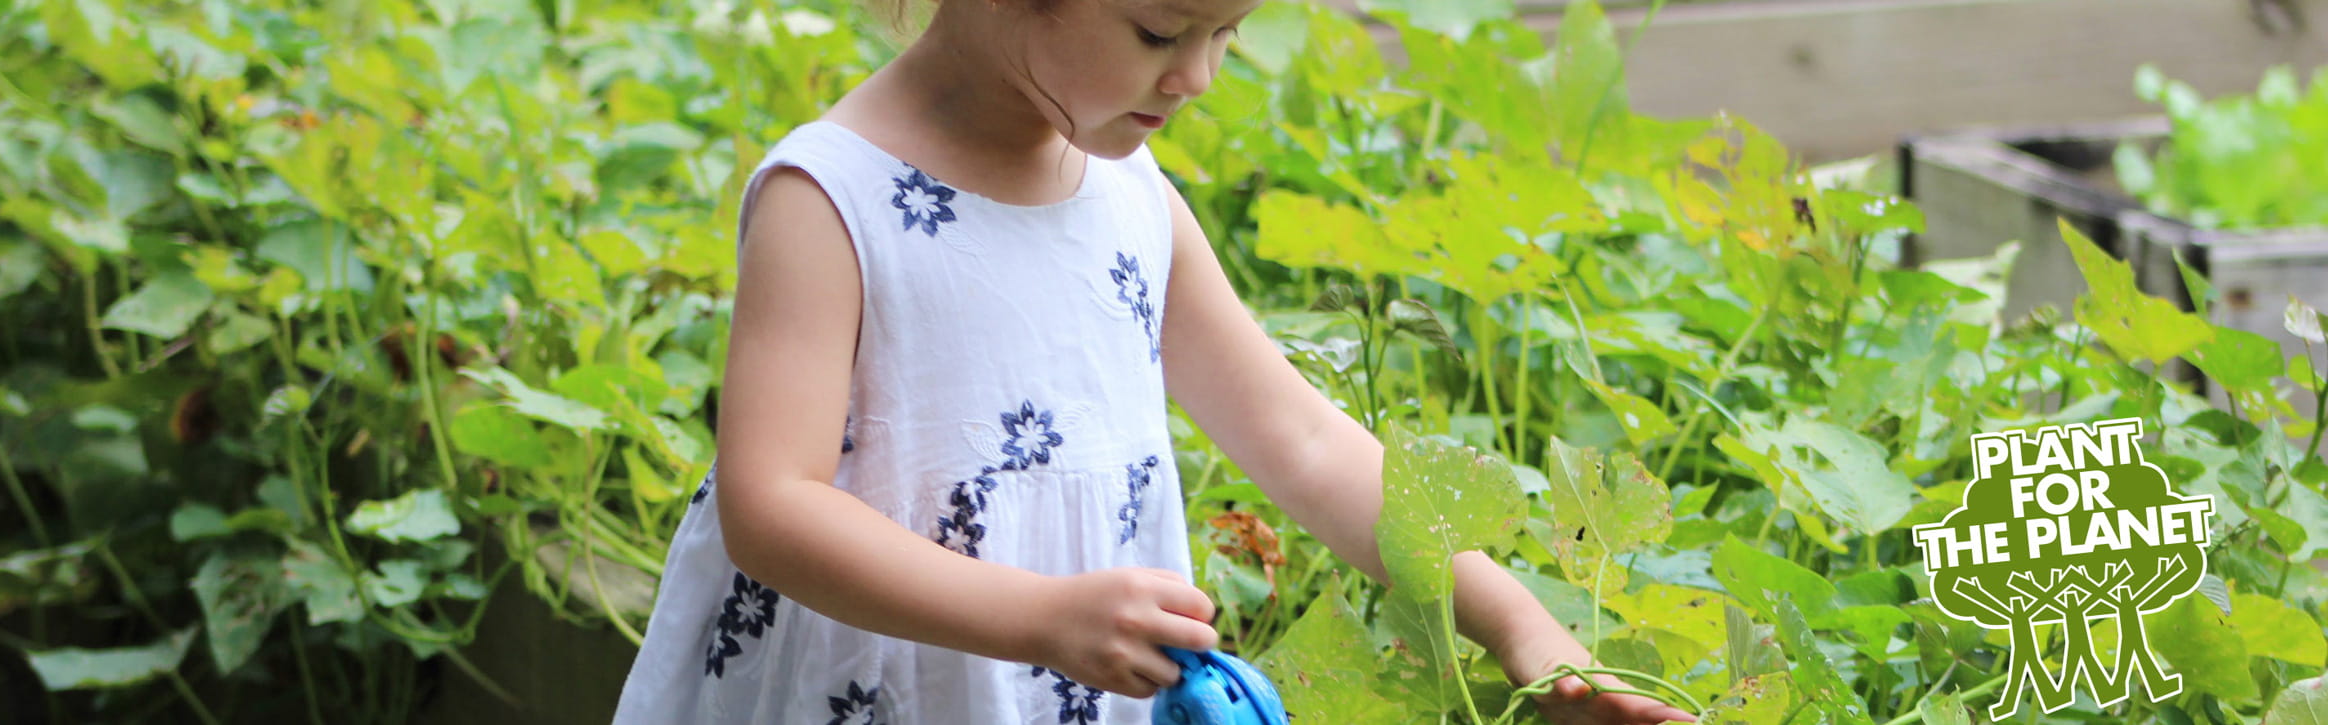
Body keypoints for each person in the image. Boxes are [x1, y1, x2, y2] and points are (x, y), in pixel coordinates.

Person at [611, 0, 1701, 722]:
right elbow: (771, 503)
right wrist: (1035, 617)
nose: (1199, 74)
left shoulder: (1133, 204)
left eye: (1228, 30)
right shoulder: (834, 201)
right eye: (1158, 28)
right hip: (889, 684)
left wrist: (1522, 623)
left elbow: (1308, 442)